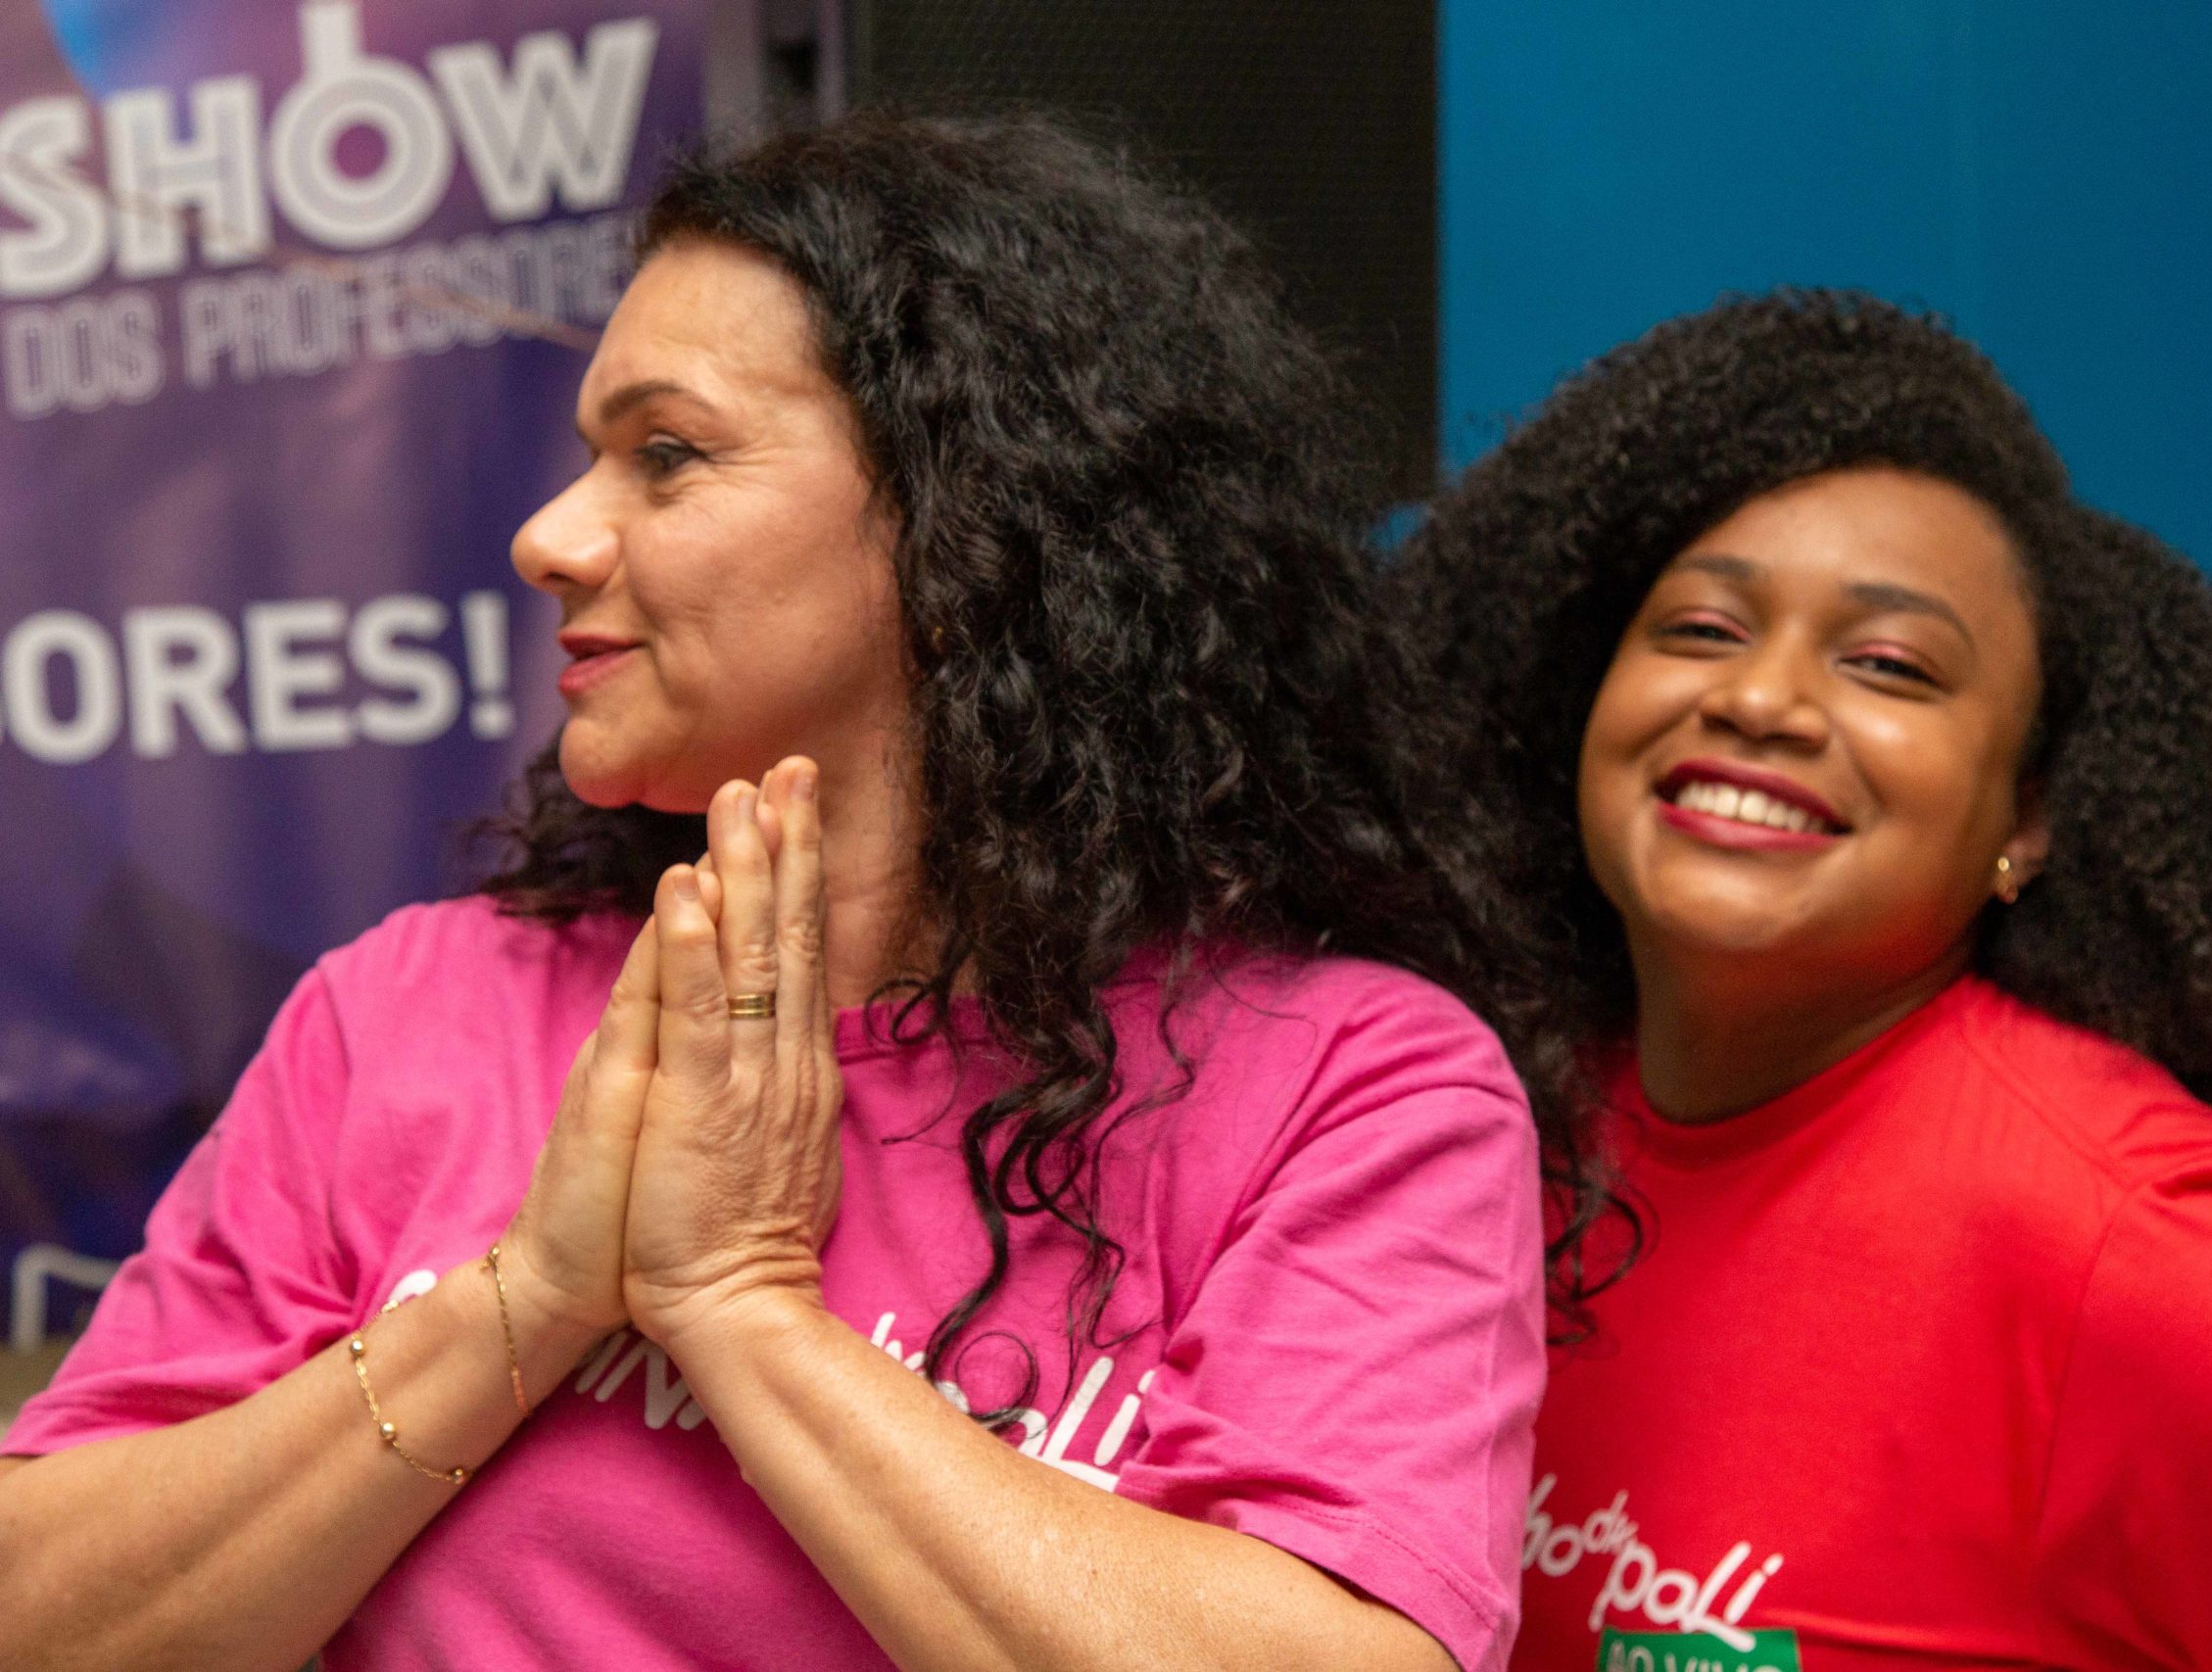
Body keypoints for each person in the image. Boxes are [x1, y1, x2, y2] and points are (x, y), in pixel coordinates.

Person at [0, 115, 1571, 1672]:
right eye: (587, 461)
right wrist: (525, 1301)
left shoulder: (1355, 1090)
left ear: (967, 516)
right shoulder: (407, 1008)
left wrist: (743, 1309)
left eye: (665, 456)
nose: (549, 537)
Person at [1387, 290, 2212, 1670]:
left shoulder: (2175, 1270)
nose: (1759, 699)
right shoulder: (1462, 1144)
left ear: (2026, 818)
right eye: (1700, 629)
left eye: (1889, 665)